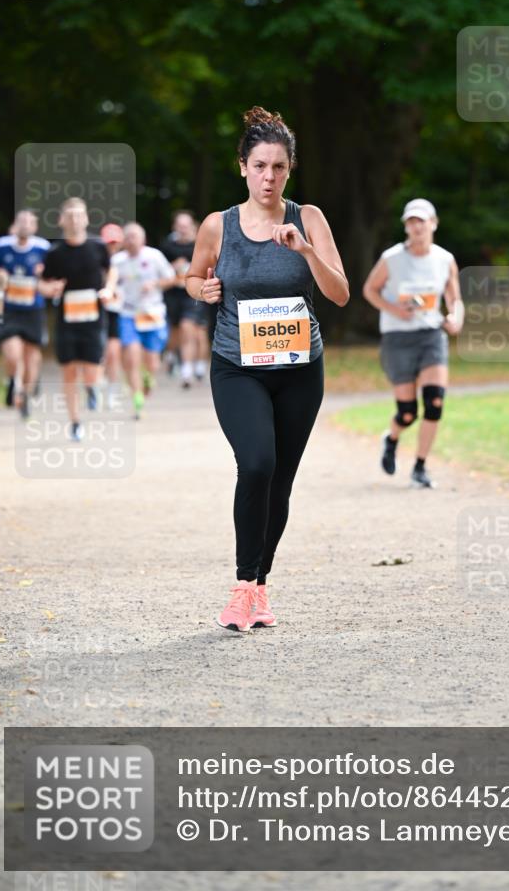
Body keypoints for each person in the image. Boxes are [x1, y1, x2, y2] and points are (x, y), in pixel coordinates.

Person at [186, 106, 349, 633]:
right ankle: (241, 585)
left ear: (289, 170)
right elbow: (193, 276)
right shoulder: (219, 225)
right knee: (256, 463)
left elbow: (340, 294)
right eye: (259, 166)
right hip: (238, 366)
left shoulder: (310, 219)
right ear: (243, 167)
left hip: (301, 368)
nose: (269, 177)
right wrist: (202, 288)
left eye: (279, 167)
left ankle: (259, 588)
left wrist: (304, 250)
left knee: (280, 481)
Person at [362, 198, 464, 488]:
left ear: (433, 223)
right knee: (408, 413)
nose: (416, 226)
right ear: (406, 226)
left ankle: (420, 467)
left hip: (431, 335)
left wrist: (456, 318)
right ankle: (391, 438)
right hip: (398, 337)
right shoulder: (392, 258)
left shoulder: (445, 259)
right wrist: (394, 309)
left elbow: (454, 299)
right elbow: (369, 289)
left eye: (422, 220)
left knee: (434, 402)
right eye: (411, 221)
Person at [38, 198, 117, 441]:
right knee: (69, 373)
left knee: (91, 372)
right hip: (67, 320)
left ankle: (92, 387)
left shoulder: (97, 246)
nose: (74, 219)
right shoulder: (55, 252)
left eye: (78, 215)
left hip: (93, 319)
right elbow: (42, 282)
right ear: (62, 220)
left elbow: (111, 270)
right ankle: (75, 422)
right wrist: (49, 290)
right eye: (69, 215)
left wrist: (108, 289)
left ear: (86, 219)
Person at [112, 222, 177, 418]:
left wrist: (155, 283)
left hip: (152, 313)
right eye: (128, 237)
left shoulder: (154, 256)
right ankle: (136, 396)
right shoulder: (117, 260)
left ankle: (147, 379)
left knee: (152, 362)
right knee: (131, 357)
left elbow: (171, 278)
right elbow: (110, 281)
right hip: (128, 313)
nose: (131, 241)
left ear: (143, 239)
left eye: (135, 237)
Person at [0, 209, 49, 418]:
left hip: (33, 310)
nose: (24, 225)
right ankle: (12, 380)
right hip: (10, 310)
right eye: (21, 221)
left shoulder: (43, 248)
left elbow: (50, 280)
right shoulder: (2, 245)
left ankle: (23, 393)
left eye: (29, 222)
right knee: (13, 354)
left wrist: (44, 278)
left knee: (31, 357)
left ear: (35, 226)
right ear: (15, 224)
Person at [161, 210, 209, 387]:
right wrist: (173, 267)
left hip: (194, 294)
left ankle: (189, 370)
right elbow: (159, 268)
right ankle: (172, 355)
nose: (183, 229)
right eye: (180, 226)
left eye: (186, 226)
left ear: (192, 226)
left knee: (190, 328)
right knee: (175, 331)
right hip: (173, 294)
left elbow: (211, 263)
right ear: (175, 227)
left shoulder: (200, 244)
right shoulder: (167, 246)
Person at [100, 223, 125, 409]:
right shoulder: (95, 259)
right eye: (109, 243)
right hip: (97, 310)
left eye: (115, 243)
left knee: (113, 353)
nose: (112, 247)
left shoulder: (124, 261)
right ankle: (96, 387)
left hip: (117, 311)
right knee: (99, 354)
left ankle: (112, 390)